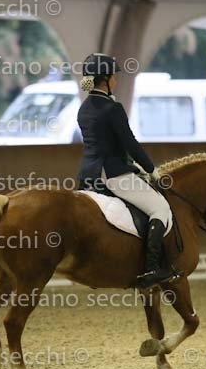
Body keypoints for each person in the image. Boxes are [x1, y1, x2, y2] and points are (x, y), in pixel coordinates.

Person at [76, 53, 178, 289]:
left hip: (88, 177)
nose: (116, 80)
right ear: (105, 79)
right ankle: (152, 268)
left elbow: (104, 145)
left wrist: (131, 165)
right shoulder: (113, 108)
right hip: (114, 176)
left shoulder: (84, 108)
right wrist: (151, 169)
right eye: (114, 76)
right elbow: (130, 144)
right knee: (160, 208)